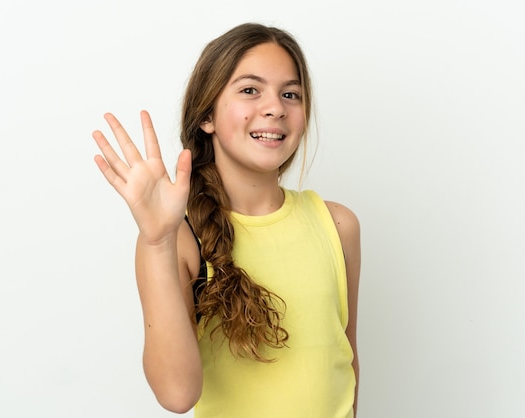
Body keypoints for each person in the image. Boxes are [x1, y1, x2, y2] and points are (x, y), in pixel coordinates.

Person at [92, 22, 361, 418]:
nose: (275, 107)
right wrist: (156, 241)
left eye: (291, 94)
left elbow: (348, 368)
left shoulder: (338, 226)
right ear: (207, 116)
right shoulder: (178, 237)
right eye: (250, 90)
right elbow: (177, 394)